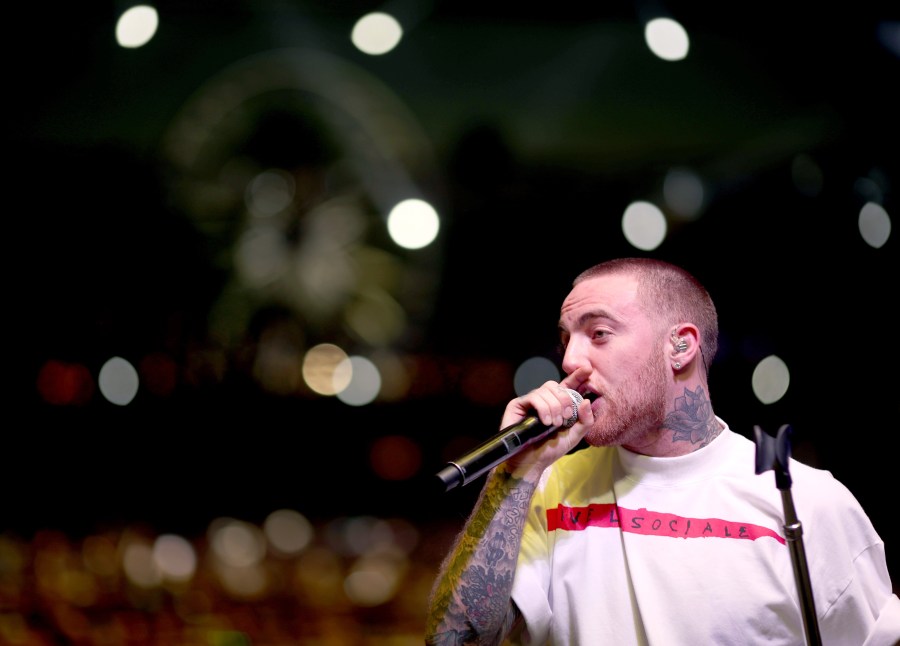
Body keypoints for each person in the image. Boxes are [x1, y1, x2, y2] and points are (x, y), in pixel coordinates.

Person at [424, 257, 900, 645]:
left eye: (600, 334)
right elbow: (455, 640)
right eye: (567, 339)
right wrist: (513, 476)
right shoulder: (549, 488)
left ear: (680, 346)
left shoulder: (806, 503)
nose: (570, 361)